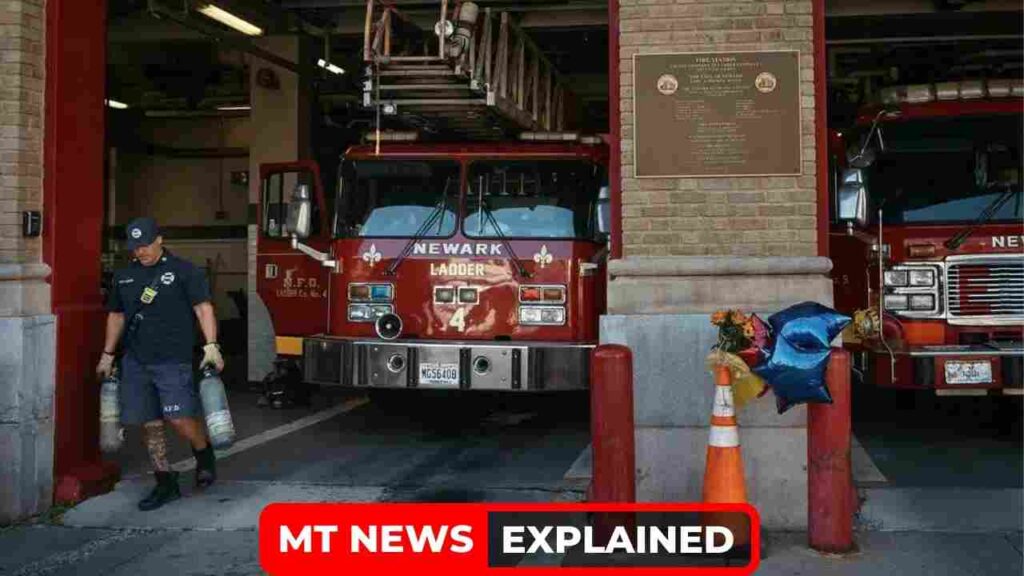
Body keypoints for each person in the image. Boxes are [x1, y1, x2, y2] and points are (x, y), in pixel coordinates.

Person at [95, 217, 225, 511]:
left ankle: (203, 454)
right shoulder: (124, 277)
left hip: (172, 360)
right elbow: (116, 316)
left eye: (145, 245)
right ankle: (165, 482)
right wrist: (107, 353)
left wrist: (211, 346)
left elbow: (203, 308)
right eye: (135, 247)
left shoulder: (183, 271)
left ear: (159, 240)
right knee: (149, 424)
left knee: (179, 418)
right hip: (136, 362)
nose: (140, 251)